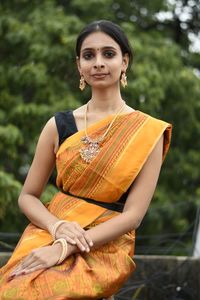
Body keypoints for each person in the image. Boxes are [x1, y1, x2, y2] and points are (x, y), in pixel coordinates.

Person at [0, 20, 172, 299]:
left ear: (124, 61)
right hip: (52, 230)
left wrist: (64, 247)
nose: (98, 63)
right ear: (78, 65)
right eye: (88, 55)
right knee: (15, 289)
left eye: (109, 54)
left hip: (105, 244)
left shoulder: (146, 131)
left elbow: (133, 216)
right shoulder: (58, 126)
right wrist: (57, 228)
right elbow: (28, 196)